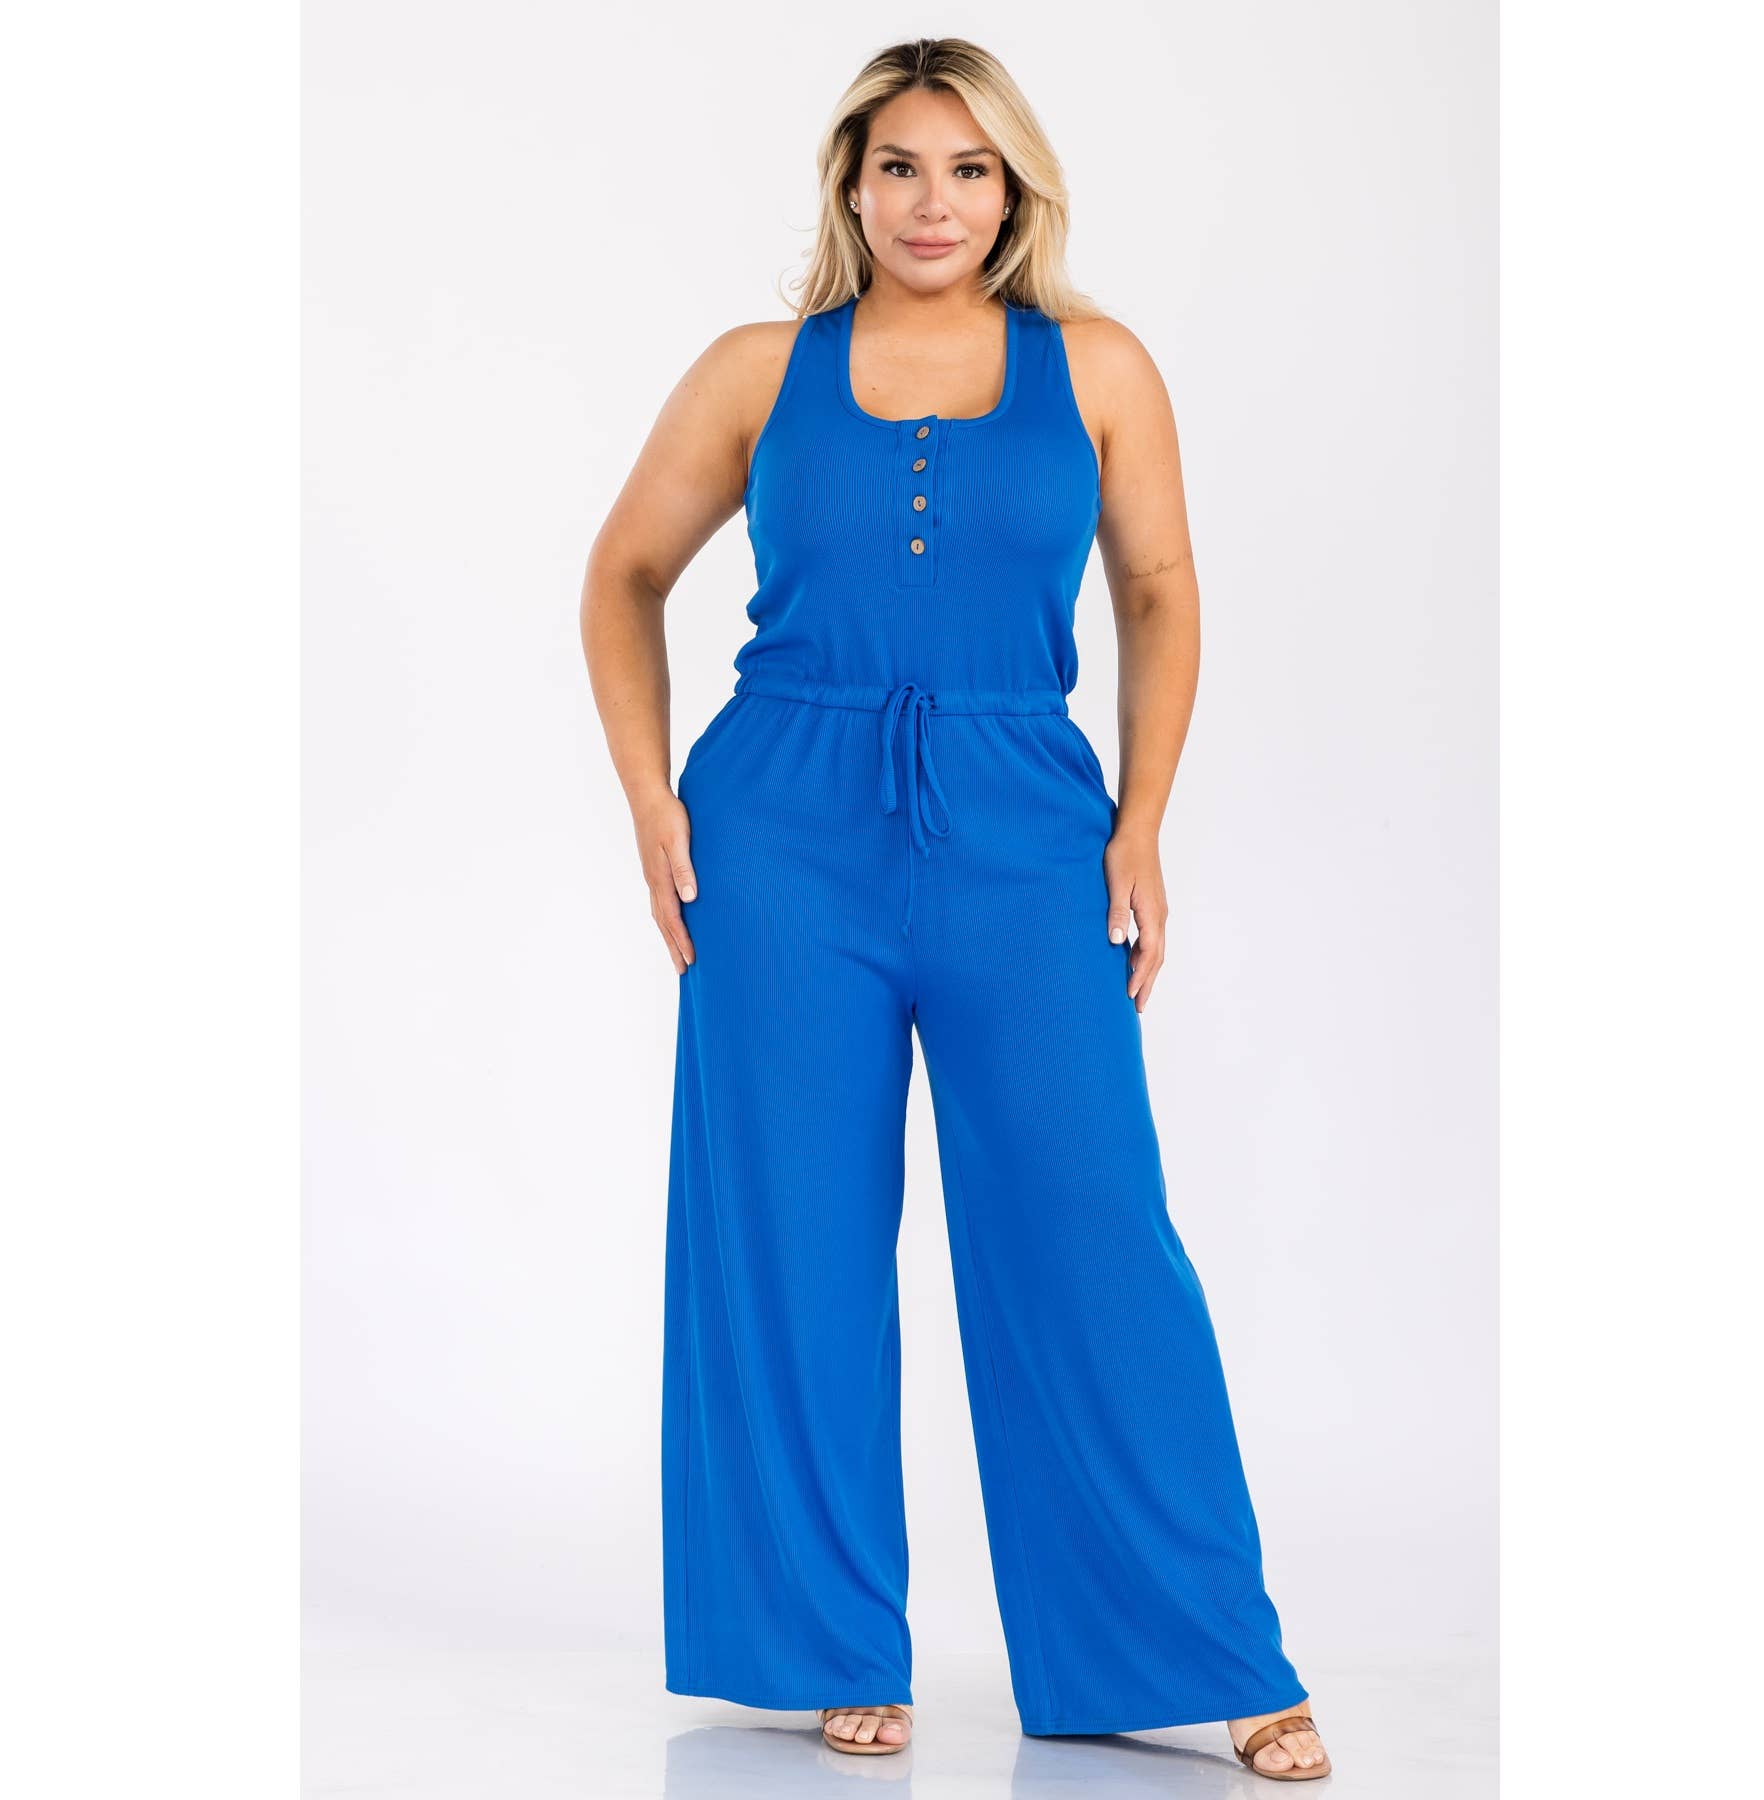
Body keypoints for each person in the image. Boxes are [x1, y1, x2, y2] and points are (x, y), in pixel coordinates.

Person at [578, 36, 1331, 1783]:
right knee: (792, 1240)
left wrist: (1142, 822)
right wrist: (649, 798)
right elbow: (623, 573)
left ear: (1016, 188)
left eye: (970, 169)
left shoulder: (1101, 368)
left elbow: (1159, 588)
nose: (935, 203)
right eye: (902, 167)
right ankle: (830, 1643)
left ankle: (1203, 1648)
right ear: (851, 183)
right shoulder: (758, 370)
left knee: (1093, 1230)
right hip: (781, 837)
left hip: (1024, 828)